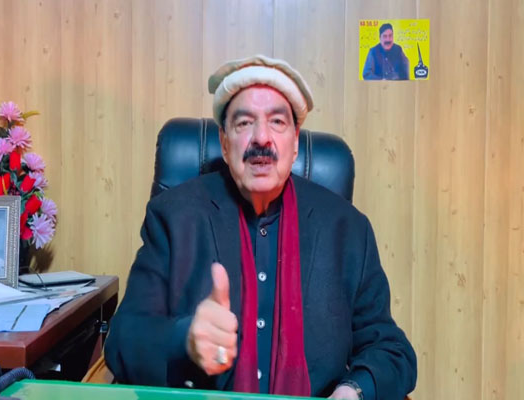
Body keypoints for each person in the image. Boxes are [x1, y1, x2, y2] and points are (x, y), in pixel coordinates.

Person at [105, 55, 417, 400]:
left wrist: (354, 390)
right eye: (244, 123)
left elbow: (391, 350)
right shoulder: (173, 217)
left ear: (295, 143)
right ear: (225, 143)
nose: (262, 138)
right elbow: (123, 341)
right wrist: (185, 339)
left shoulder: (348, 229)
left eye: (277, 122)